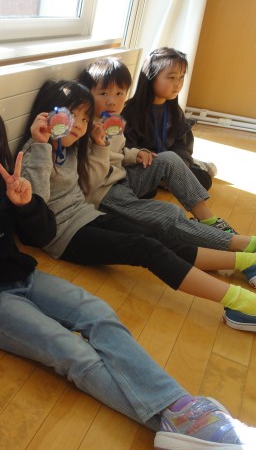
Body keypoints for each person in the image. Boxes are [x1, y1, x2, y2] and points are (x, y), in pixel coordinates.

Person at [0, 97, 256, 449]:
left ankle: (181, 408)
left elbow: (41, 235)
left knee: (98, 313)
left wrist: (26, 206)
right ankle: (178, 418)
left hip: (24, 276)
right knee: (69, 350)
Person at [17, 78, 256, 331]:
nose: (79, 124)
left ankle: (245, 260)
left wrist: (99, 146)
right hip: (63, 235)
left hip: (86, 215)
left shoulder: (70, 148)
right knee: (147, 249)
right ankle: (243, 303)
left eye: (85, 118)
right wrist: (42, 145)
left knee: (156, 237)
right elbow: (38, 210)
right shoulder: (36, 151)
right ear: (47, 114)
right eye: (71, 114)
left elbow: (88, 185)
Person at [76, 57, 256, 250]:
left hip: (122, 179)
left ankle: (209, 221)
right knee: (168, 214)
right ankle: (236, 245)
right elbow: (90, 182)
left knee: (169, 158)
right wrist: (100, 145)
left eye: (119, 93)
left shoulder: (113, 120)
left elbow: (118, 152)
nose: (112, 101)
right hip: (104, 194)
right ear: (88, 93)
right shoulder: (84, 128)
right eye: (103, 93)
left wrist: (134, 154)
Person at [121, 47, 218, 195]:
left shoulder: (174, 111)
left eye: (181, 77)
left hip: (171, 165)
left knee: (203, 180)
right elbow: (127, 147)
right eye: (172, 77)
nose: (178, 83)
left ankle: (186, 170)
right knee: (143, 190)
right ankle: (165, 181)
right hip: (146, 166)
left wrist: (178, 165)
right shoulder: (131, 111)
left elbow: (183, 145)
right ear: (151, 77)